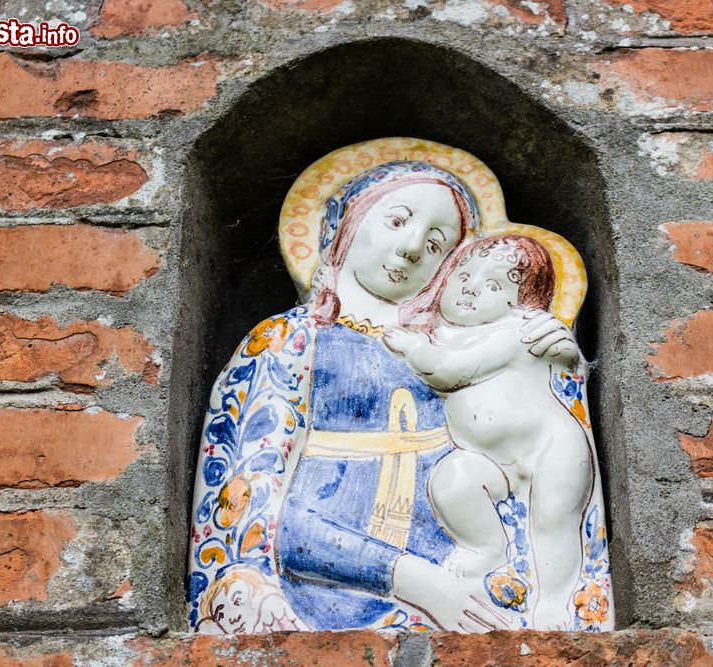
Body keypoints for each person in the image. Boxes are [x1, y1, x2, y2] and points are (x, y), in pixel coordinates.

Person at [187, 161, 575, 634]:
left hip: (463, 600)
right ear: (347, 224)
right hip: (313, 605)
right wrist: (421, 584)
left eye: (436, 245)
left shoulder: (458, 352)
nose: (412, 248)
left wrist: (549, 364)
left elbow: (534, 463)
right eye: (396, 221)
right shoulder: (289, 340)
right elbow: (251, 510)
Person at [384, 234, 595, 628]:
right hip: (489, 460)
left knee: (552, 523)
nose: (471, 288)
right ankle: (486, 547)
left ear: (520, 304)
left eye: (494, 285)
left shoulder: (517, 333)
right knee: (453, 480)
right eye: (463, 274)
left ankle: (552, 603)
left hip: (551, 448)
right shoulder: (444, 331)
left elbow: (449, 371)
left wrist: (413, 349)